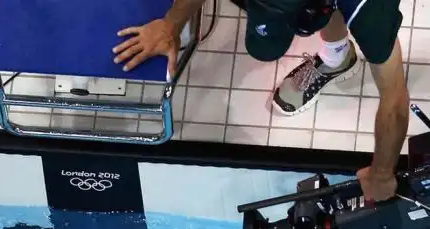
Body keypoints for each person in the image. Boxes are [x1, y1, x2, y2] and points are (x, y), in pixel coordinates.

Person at [112, 0, 409, 203]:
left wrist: (383, 174)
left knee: (361, 27)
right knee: (268, 47)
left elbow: (394, 98)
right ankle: (337, 56)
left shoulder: (372, 10)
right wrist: (170, 25)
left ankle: (335, 51)